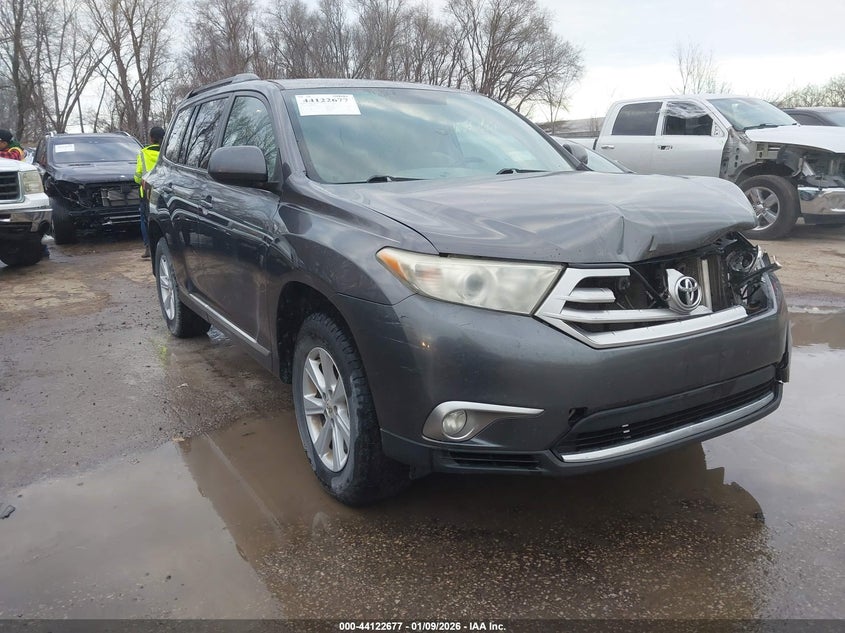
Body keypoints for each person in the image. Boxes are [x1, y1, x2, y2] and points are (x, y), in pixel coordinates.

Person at [135, 126, 165, 259]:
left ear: (151, 138)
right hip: (165, 191)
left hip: (147, 192)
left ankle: (148, 248)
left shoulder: (143, 153)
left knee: (146, 220)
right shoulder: (168, 152)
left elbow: (137, 177)